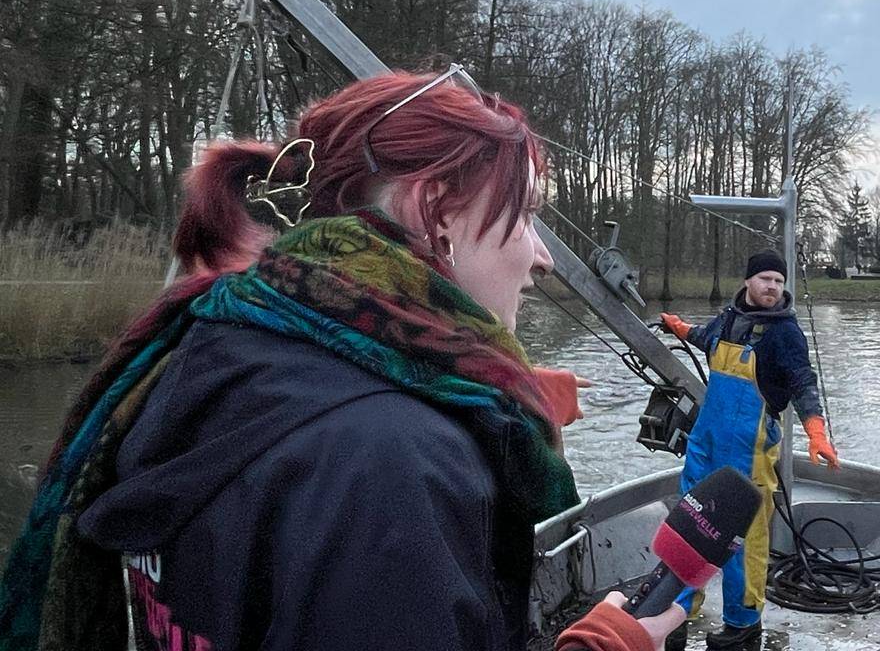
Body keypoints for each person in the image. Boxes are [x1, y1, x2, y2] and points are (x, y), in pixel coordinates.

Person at [0, 68, 683, 651]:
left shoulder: (204, 347)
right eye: (525, 213)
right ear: (436, 208)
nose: (539, 255)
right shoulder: (394, 465)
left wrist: (475, 395)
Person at [657, 250, 839, 650]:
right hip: (705, 443)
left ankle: (742, 625)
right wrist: (679, 327)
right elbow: (704, 337)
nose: (772, 286)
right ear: (747, 282)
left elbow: (802, 382)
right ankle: (677, 611)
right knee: (690, 526)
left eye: (778, 280)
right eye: (765, 279)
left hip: (750, 451)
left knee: (744, 541)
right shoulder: (728, 319)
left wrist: (815, 429)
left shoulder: (785, 334)